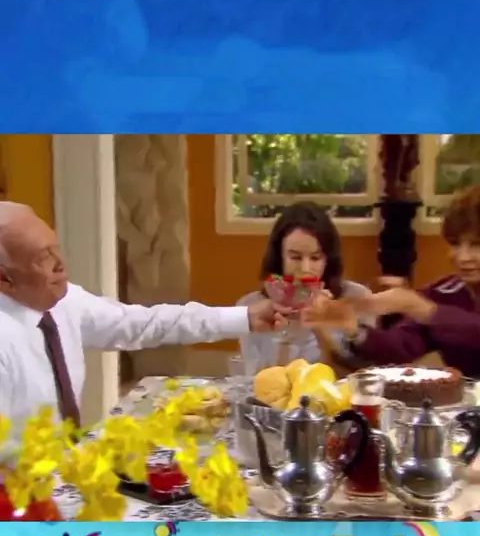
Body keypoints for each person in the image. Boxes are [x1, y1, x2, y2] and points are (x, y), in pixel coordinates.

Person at [0, 202, 290, 437]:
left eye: (56, 248)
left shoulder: (67, 302)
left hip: (69, 470)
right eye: (43, 258)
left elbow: (144, 323)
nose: (60, 264)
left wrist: (245, 317)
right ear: (5, 279)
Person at [301, 185, 480, 378]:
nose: (463, 257)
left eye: (476, 245)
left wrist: (423, 310)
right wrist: (355, 329)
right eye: (455, 244)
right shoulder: (442, 293)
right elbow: (400, 349)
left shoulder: (428, 305)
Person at [237, 202, 373, 371]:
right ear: (280, 257)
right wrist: (289, 326)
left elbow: (358, 376)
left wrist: (320, 327)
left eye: (315, 258)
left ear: (328, 259)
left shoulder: (358, 297)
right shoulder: (250, 306)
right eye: (295, 257)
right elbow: (261, 381)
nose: (305, 269)